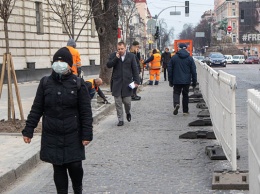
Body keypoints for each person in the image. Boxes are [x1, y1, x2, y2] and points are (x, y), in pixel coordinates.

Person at [22, 47, 93, 194]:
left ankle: (77, 190)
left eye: (63, 61)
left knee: (75, 166)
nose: (59, 64)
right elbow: (37, 108)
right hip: (52, 133)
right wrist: (28, 130)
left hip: (73, 132)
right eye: (56, 61)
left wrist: (87, 134)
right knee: (58, 167)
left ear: (69, 64)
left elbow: (86, 112)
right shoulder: (45, 83)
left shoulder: (78, 83)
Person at [107, 41, 140, 126]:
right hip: (116, 83)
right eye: (119, 49)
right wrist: (116, 58)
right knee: (118, 103)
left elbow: (135, 69)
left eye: (122, 49)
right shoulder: (114, 56)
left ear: (125, 48)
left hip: (127, 83)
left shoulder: (131, 56)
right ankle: (120, 119)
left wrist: (137, 81)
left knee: (127, 102)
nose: (120, 50)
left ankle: (128, 112)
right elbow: (109, 65)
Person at [168, 43, 197, 116]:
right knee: (185, 95)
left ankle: (176, 104)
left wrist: (170, 80)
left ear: (178, 48)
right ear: (186, 49)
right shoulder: (190, 58)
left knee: (176, 93)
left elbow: (169, 69)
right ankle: (185, 111)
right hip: (186, 80)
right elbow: (194, 71)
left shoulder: (174, 58)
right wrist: (194, 82)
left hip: (176, 80)